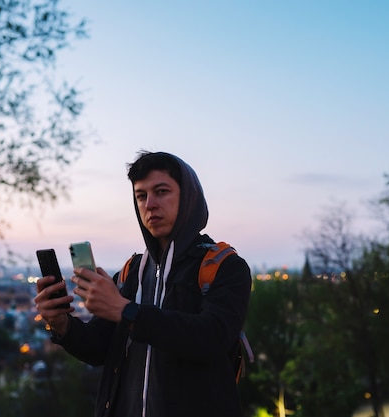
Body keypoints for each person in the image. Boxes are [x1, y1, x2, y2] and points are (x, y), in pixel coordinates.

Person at [34, 151, 252, 417]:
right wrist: (62, 325)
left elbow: (213, 337)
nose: (150, 204)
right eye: (141, 195)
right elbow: (100, 349)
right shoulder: (132, 272)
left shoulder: (223, 266)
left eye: (161, 191)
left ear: (188, 198)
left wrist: (127, 311)